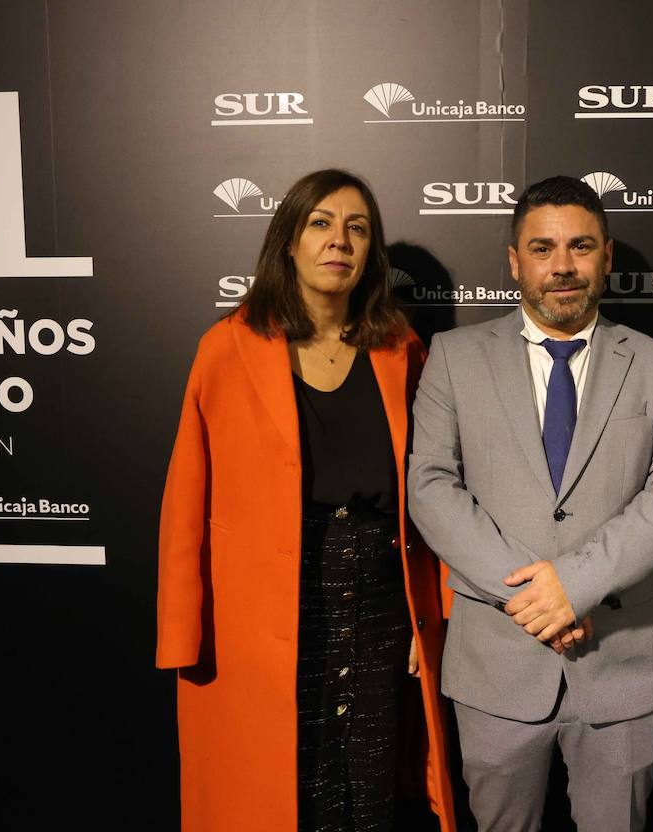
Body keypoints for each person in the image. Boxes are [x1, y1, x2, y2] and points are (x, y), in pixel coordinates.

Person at [156, 169, 457, 832]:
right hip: (263, 610)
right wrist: (183, 634)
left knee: (370, 787)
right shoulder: (225, 348)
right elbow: (186, 501)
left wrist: (430, 611)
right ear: (287, 241)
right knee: (280, 790)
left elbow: (436, 491)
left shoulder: (400, 348)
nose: (338, 241)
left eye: (357, 228)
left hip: (380, 605)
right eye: (320, 223)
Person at [408, 175, 653, 831]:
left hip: (622, 663)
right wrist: (535, 599)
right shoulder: (454, 358)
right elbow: (430, 486)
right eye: (542, 248)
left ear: (606, 257)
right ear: (515, 261)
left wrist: (572, 585)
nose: (562, 266)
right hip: (496, 665)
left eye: (580, 246)